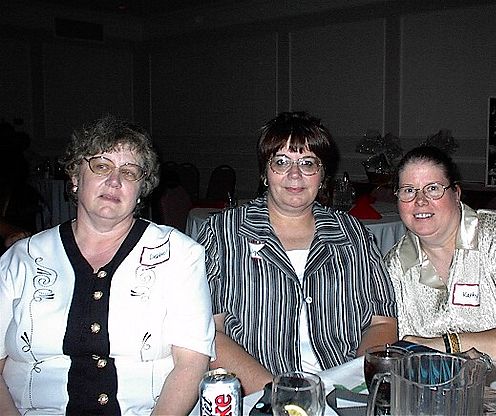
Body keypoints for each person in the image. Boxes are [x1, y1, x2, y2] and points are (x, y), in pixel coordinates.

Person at [0, 115, 215, 415]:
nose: (115, 181)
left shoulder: (178, 254)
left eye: (129, 172)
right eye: (101, 166)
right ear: (75, 177)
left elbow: (191, 364)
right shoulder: (21, 259)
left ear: (141, 190)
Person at [197, 111, 397, 394]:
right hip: (259, 395)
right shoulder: (223, 233)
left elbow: (381, 321)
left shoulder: (352, 234)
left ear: (322, 175)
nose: (295, 174)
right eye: (281, 162)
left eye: (308, 163)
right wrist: (279, 395)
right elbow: (208, 333)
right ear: (264, 173)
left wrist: (355, 386)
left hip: (342, 393)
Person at [385, 145, 496, 360]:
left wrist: (447, 344)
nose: (420, 201)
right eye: (408, 190)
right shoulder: (394, 265)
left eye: (433, 188)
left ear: (456, 194)